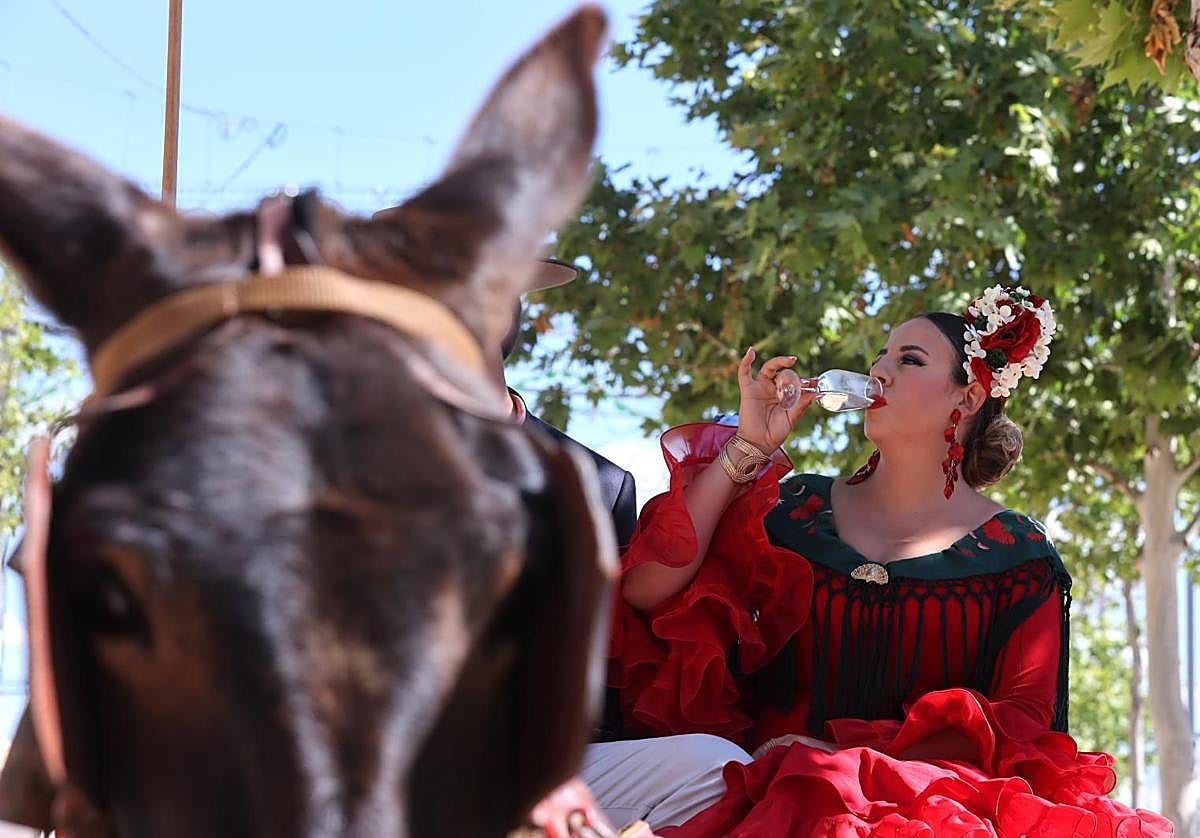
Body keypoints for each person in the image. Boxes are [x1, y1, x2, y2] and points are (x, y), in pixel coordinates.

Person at [605, 287, 1171, 835]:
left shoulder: (1019, 558)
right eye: (880, 356)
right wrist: (749, 446)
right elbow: (647, 588)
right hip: (764, 810)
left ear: (968, 397)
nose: (880, 371)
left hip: (933, 816)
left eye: (910, 359)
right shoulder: (795, 512)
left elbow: (1023, 724)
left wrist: (839, 753)